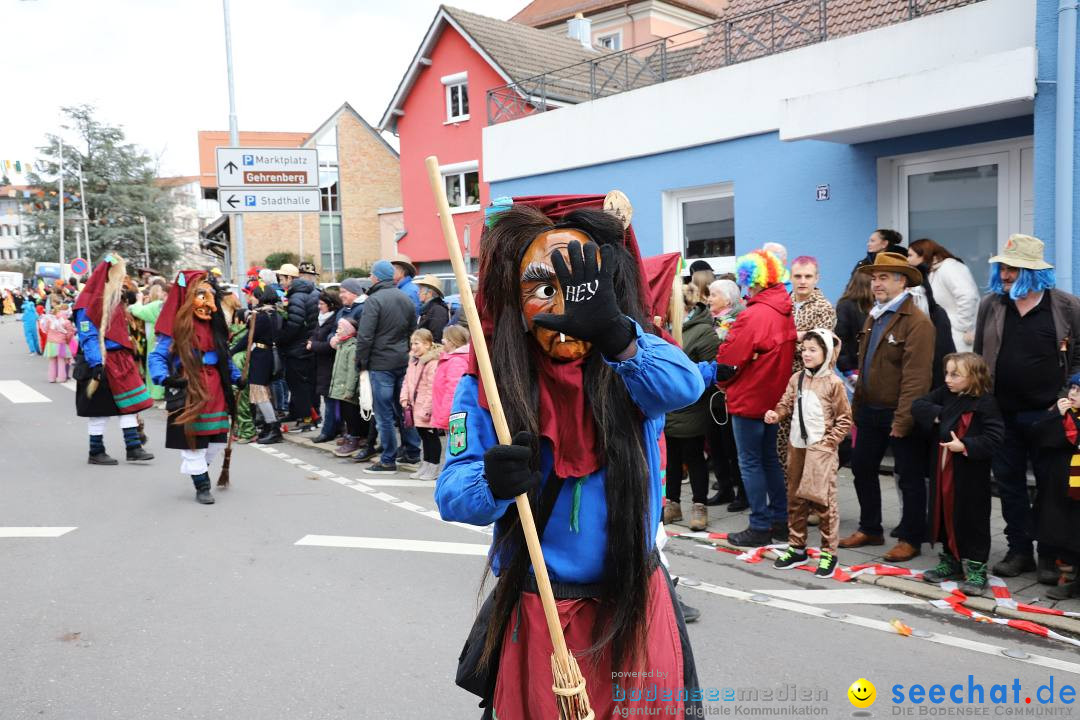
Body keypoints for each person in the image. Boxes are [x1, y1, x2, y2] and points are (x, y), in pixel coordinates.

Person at [435, 198, 703, 719]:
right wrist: (490, 481)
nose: (562, 312)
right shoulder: (489, 385)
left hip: (634, 605)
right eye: (542, 289)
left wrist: (616, 334)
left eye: (578, 289)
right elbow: (453, 494)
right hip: (540, 608)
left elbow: (684, 386)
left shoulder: (634, 369)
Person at [972, 234, 1080, 580]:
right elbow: (978, 353)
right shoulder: (992, 305)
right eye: (1003, 268)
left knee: (1051, 487)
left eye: (1013, 270)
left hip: (1049, 414)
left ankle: (1049, 553)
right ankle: (1020, 550)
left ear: (1034, 273)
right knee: (1009, 484)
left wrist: (1070, 391)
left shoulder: (1065, 306)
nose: (1005, 275)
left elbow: (1078, 356)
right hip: (1001, 412)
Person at [839, 252, 934, 562]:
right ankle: (871, 528)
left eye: (883, 277)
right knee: (863, 467)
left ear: (901, 281)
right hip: (869, 410)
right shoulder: (874, 314)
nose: (875, 283)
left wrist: (903, 419)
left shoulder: (917, 322)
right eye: (874, 277)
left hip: (898, 413)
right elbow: (866, 365)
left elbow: (916, 378)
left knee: (909, 476)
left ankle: (910, 537)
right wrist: (857, 409)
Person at [710, 249, 796, 547]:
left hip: (750, 398)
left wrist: (725, 382)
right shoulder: (784, 310)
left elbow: (728, 360)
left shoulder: (754, 315)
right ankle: (780, 521)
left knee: (750, 463)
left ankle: (760, 525)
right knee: (770, 461)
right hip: (773, 398)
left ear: (752, 279)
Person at [912, 352, 1004, 595]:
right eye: (947, 373)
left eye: (955, 374)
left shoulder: (985, 402)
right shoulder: (945, 393)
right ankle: (951, 561)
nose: (948, 379)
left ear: (973, 376)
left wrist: (965, 446)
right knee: (943, 513)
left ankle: (976, 568)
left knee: (972, 518)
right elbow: (919, 405)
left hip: (970, 474)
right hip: (943, 470)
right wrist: (943, 416)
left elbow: (994, 438)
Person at [765, 329, 852, 578]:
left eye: (813, 349)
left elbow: (845, 420)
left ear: (825, 353)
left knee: (824, 502)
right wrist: (777, 414)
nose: (806, 354)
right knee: (795, 499)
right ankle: (797, 547)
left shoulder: (834, 383)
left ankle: (828, 553)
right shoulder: (797, 378)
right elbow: (785, 403)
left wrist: (828, 444)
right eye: (804, 349)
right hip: (797, 446)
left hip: (821, 450)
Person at [149, 271, 241, 504]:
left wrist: (237, 376)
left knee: (217, 440)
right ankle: (202, 485)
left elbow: (224, 356)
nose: (207, 301)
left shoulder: (216, 324)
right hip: (190, 386)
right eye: (201, 294)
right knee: (193, 444)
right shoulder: (178, 326)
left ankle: (197, 469)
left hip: (216, 387)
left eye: (209, 294)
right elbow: (157, 356)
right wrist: (165, 378)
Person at [72, 254, 155, 465]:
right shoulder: (87, 303)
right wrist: (96, 363)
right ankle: (96, 451)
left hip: (120, 359)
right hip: (100, 359)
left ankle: (134, 447)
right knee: (99, 409)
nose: (122, 280)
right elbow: (88, 335)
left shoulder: (114, 298)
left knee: (129, 405)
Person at [663, 283, 720, 531]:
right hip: (668, 405)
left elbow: (710, 370)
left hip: (692, 405)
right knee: (672, 458)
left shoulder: (703, 331)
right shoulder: (663, 327)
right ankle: (672, 504)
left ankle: (699, 506)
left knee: (694, 457)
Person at [355, 259, 420, 472]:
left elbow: (365, 335)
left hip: (380, 363)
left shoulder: (374, 300)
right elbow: (413, 331)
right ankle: (411, 452)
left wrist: (361, 362)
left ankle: (388, 458)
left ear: (376, 277)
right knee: (404, 407)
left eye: (372, 275)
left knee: (384, 413)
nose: (371, 278)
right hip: (402, 360)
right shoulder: (406, 298)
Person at [1027, 374, 1080, 600]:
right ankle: (1067, 578)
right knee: (1062, 532)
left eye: (1079, 390)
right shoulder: (1061, 415)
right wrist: (1055, 417)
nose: (1072, 394)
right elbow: (1039, 436)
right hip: (1060, 485)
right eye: (1072, 388)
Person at [703, 278, 746, 510]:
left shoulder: (739, 321)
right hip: (712, 391)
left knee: (732, 445)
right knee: (715, 442)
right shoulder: (712, 321)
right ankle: (725, 487)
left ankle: (743, 492)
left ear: (728, 299)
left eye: (713, 295)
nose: (709, 299)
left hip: (731, 391)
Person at [908, 238, 980, 352]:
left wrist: (961, 327)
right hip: (943, 334)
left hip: (958, 337)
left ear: (923, 255)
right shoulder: (931, 272)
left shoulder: (949, 267)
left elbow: (968, 296)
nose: (907, 260)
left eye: (910, 255)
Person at [276, 262, 319, 428]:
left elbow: (294, 323)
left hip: (297, 347)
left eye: (282, 279)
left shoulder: (296, 296)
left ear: (290, 278)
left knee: (298, 384)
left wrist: (281, 338)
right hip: (308, 344)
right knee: (307, 382)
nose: (280, 282)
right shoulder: (312, 292)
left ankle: (306, 418)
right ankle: (303, 414)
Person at [239, 286, 284, 445]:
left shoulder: (261, 316)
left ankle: (273, 427)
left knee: (258, 392)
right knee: (265, 391)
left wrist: (231, 351)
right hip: (271, 355)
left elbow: (248, 338)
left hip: (261, 356)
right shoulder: (277, 314)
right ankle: (268, 425)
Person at [400, 328, 442, 481]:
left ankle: (434, 467)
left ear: (428, 344)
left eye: (417, 343)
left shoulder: (432, 363)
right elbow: (407, 380)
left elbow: (433, 388)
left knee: (431, 437)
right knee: (424, 437)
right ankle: (426, 465)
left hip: (425, 406)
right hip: (415, 405)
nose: (413, 347)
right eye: (412, 343)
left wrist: (427, 408)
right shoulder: (414, 360)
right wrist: (404, 398)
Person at [308, 289, 343, 444]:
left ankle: (328, 431)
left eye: (322, 304)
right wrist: (312, 342)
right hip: (321, 365)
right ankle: (336, 429)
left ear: (331, 305)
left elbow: (330, 345)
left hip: (330, 364)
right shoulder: (322, 318)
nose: (319, 306)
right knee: (329, 399)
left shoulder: (334, 320)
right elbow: (315, 335)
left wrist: (313, 345)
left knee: (330, 400)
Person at [129, 283, 167, 400]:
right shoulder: (165, 306)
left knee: (154, 363)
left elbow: (136, 310)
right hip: (166, 338)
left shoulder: (155, 306)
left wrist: (139, 301)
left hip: (155, 339)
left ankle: (156, 392)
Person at [430, 324, 470, 432]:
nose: (442, 341)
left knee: (455, 445)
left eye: (445, 339)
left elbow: (453, 392)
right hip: (450, 414)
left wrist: (445, 417)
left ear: (452, 342)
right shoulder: (452, 359)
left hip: (454, 417)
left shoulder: (456, 361)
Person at [41, 303, 75, 383]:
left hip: (50, 343)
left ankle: (51, 378)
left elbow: (45, 329)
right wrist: (67, 340)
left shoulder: (49, 320)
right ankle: (61, 378)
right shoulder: (66, 322)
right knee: (61, 361)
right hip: (61, 343)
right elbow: (70, 333)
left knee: (52, 361)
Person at [415, 274, 449, 342]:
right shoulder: (429, 309)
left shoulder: (438, 310)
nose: (418, 293)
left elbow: (437, 338)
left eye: (421, 290)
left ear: (429, 293)